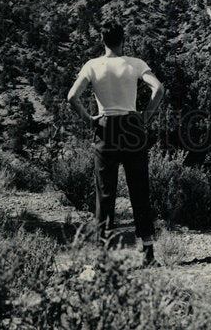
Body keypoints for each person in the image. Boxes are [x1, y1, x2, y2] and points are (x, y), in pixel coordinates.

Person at [67, 20, 164, 265]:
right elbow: (159, 89)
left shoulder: (93, 65)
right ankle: (148, 250)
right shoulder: (135, 64)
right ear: (123, 40)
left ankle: (103, 256)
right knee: (139, 187)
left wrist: (90, 120)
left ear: (102, 40)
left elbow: (72, 97)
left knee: (105, 191)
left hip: (106, 125)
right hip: (132, 125)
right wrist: (145, 116)